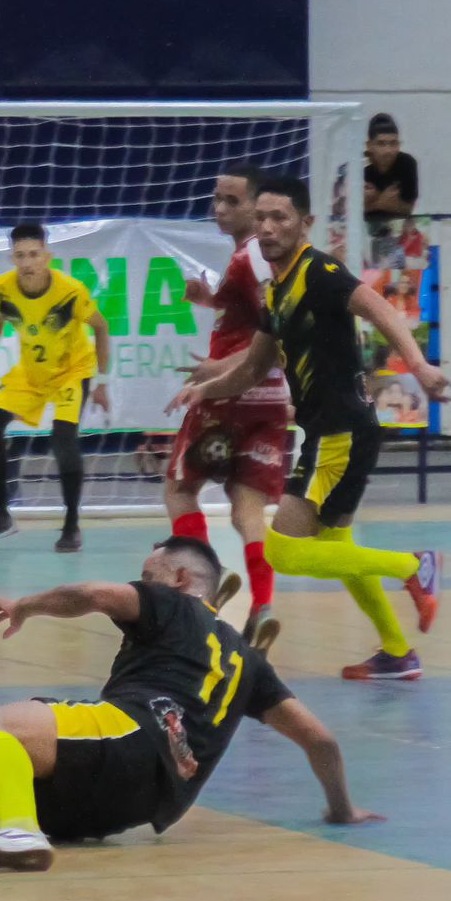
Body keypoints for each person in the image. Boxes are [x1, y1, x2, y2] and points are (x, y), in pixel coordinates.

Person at [0, 536, 379, 872]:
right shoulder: (248, 664)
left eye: (149, 574)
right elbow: (320, 739)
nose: (142, 582)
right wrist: (341, 809)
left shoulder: (170, 601)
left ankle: (19, 832)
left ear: (179, 580)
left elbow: (95, 593)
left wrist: (27, 606)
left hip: (135, 731)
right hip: (145, 804)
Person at [168, 175, 451, 682]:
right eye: (262, 218)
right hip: (336, 431)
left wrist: (420, 366)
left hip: (339, 432)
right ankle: (397, 651)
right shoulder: (275, 291)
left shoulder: (319, 271)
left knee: (282, 550)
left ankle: (416, 567)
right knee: (336, 545)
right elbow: (254, 367)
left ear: (306, 223)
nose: (269, 227)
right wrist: (205, 389)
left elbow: (380, 306)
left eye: (281, 218)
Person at [169, 162, 292, 651]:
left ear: (258, 205)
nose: (219, 209)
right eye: (216, 199)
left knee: (180, 491)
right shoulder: (269, 256)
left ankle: (205, 586)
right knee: (248, 511)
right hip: (272, 400)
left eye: (232, 201)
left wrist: (220, 372)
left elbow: (275, 332)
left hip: (232, 395)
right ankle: (262, 604)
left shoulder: (251, 258)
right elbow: (257, 316)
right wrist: (212, 300)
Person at [0, 222, 112, 552]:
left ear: (48, 256)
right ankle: (1, 515)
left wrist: (102, 382)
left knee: (63, 439)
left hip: (72, 371)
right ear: (12, 259)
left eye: (34, 254)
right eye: (20, 256)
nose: (28, 262)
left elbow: (102, 329)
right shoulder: (1, 289)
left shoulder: (70, 290)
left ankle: (72, 525)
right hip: (31, 373)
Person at [363, 113, 419, 223]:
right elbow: (341, 213)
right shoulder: (357, 167)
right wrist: (381, 203)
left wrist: (372, 203)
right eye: (381, 144)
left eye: (393, 143)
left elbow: (408, 209)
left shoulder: (407, 164)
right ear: (369, 146)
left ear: (399, 145)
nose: (388, 151)